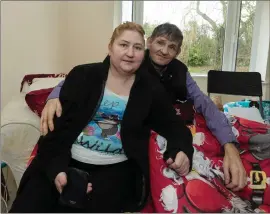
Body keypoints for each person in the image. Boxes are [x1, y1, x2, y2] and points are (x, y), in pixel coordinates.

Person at [10, 22, 193, 213]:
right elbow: (55, 132)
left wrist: (182, 150)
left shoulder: (151, 89)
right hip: (65, 159)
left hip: (114, 171)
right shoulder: (83, 75)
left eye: (137, 47)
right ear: (110, 47)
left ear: (143, 52)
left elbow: (175, 127)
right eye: (123, 45)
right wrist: (58, 170)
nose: (130, 53)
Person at [41, 23, 247, 192]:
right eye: (160, 43)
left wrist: (229, 144)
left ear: (178, 52)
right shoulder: (128, 63)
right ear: (149, 43)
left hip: (165, 120)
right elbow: (87, 78)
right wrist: (54, 96)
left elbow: (203, 103)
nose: (164, 51)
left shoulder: (178, 73)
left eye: (172, 47)